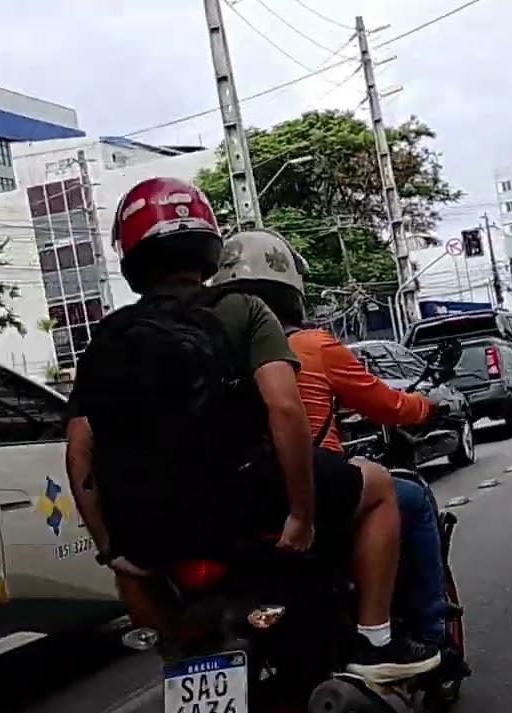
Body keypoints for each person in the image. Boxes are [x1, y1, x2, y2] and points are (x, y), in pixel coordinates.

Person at [62, 176, 438, 683]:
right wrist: (301, 516)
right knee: (378, 489)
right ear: (206, 243)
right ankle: (376, 644)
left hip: (153, 528)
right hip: (251, 503)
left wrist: (113, 549)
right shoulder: (242, 310)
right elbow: (285, 410)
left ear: (130, 257)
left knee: (153, 605)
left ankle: (180, 661)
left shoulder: (107, 336)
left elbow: (79, 454)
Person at [207, 227, 451, 648]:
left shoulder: (205, 348)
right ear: (289, 290)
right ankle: (427, 637)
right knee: (410, 498)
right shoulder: (311, 345)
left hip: (231, 503)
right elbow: (386, 404)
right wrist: (426, 407)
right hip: (313, 495)